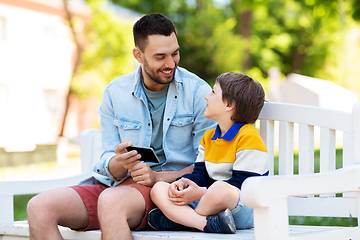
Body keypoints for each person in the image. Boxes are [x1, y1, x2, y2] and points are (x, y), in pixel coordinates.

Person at [26, 13, 216, 240]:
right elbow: (109, 162)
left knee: (111, 201)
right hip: (116, 187)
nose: (170, 63)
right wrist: (119, 162)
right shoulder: (115, 92)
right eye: (160, 56)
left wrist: (157, 178)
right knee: (39, 207)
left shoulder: (198, 93)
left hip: (167, 196)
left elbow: (207, 167)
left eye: (175, 53)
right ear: (138, 55)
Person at [148, 72, 269, 234]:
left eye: (213, 92)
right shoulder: (208, 137)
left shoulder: (249, 137)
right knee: (159, 188)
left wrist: (201, 192)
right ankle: (204, 223)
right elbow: (200, 174)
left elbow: (244, 186)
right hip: (209, 204)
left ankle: (181, 220)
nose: (206, 97)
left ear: (228, 105)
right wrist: (182, 183)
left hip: (245, 209)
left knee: (221, 189)